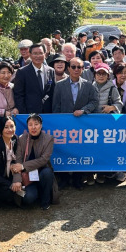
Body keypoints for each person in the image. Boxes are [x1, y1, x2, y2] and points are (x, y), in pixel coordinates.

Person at [52, 57, 99, 189]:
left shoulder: (89, 85)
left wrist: (84, 110)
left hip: (82, 125)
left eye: (79, 67)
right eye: (73, 67)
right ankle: (64, 178)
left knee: (80, 151)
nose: (76, 69)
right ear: (68, 68)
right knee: (64, 151)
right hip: (64, 126)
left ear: (83, 69)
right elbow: (56, 106)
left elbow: (94, 102)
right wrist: (58, 122)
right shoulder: (60, 85)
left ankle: (78, 179)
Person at [9, 114, 57, 210]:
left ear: (41, 125)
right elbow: (17, 162)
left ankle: (45, 201)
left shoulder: (48, 139)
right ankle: (36, 192)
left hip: (41, 173)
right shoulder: (22, 139)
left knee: (47, 172)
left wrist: (23, 166)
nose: (33, 127)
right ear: (27, 126)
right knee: (28, 199)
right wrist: (17, 180)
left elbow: (43, 160)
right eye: (30, 125)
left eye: (36, 124)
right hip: (27, 177)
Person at [13, 43, 55, 114]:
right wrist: (24, 113)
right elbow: (18, 95)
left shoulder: (51, 71)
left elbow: (52, 92)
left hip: (48, 112)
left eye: (41, 53)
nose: (38, 56)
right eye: (35, 53)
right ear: (30, 54)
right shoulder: (22, 72)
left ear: (44, 54)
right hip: (29, 113)